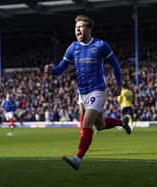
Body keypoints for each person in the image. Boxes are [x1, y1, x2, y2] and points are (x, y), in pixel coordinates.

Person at [44, 14, 131, 170]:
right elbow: (60, 70)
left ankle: (77, 158)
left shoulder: (101, 45)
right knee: (100, 125)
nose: (78, 30)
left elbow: (116, 65)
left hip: (97, 90)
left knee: (86, 124)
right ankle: (121, 122)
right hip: (82, 92)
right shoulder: (72, 47)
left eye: (81, 27)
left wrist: (119, 84)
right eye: (76, 28)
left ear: (89, 28)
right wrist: (52, 70)